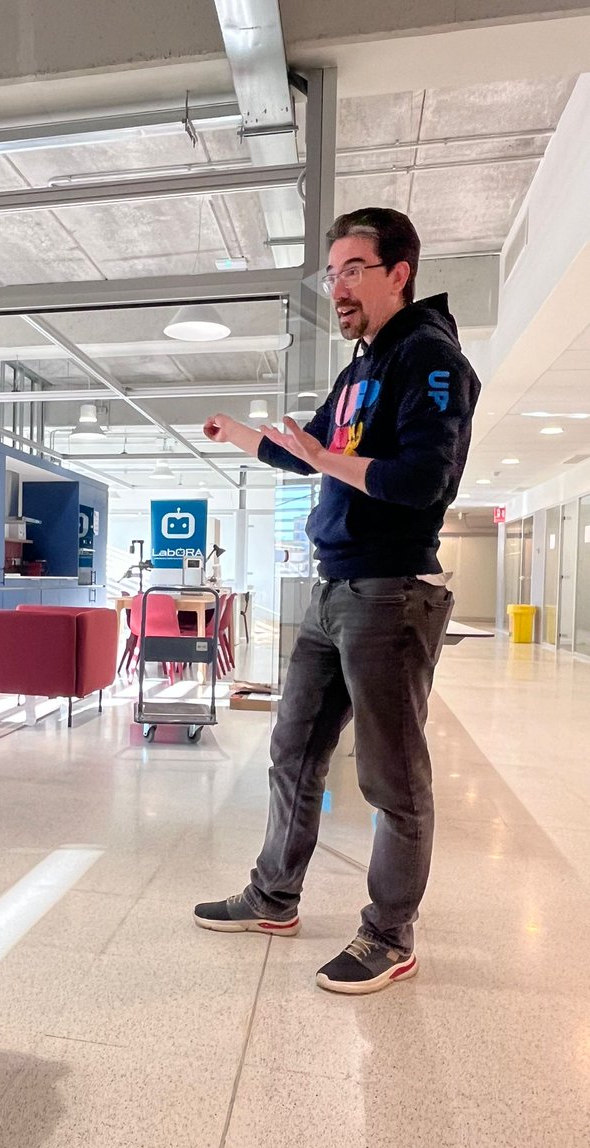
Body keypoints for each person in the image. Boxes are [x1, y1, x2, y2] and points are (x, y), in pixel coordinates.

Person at [194, 207, 480, 994]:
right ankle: (274, 896)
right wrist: (247, 437)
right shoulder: (361, 369)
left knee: (393, 777)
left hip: (390, 591)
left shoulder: (431, 359)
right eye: (332, 271)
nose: (338, 285)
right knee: (293, 749)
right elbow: (310, 450)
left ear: (400, 273)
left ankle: (389, 934)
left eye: (354, 268)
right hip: (335, 587)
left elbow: (421, 479)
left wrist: (327, 458)